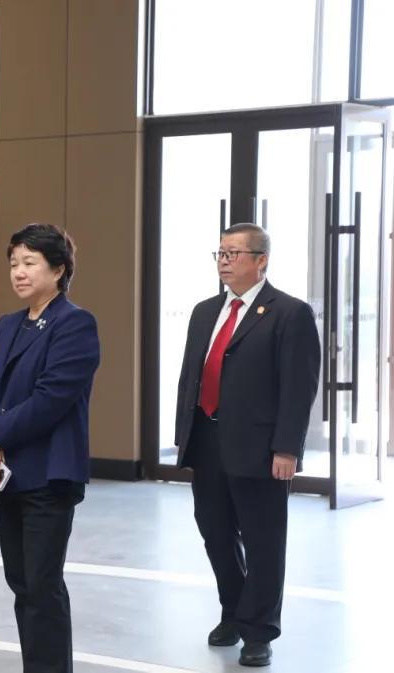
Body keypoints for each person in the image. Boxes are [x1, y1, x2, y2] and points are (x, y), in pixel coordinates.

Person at [174, 223, 320, 667]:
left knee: (263, 541)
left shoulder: (289, 313)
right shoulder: (205, 311)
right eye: (220, 253)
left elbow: (299, 387)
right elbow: (191, 376)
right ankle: (234, 612)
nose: (224, 261)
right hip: (207, 439)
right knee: (215, 533)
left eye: (233, 253)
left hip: (260, 446)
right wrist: (184, 435)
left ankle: (259, 632)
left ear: (261, 260)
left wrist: (287, 448)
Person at [0, 223, 99, 673]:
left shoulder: (75, 323)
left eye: (30, 262)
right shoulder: (9, 324)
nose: (19, 272)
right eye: (13, 264)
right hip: (7, 472)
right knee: (22, 582)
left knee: (42, 585)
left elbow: (52, 398)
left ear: (58, 269)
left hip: (49, 473)